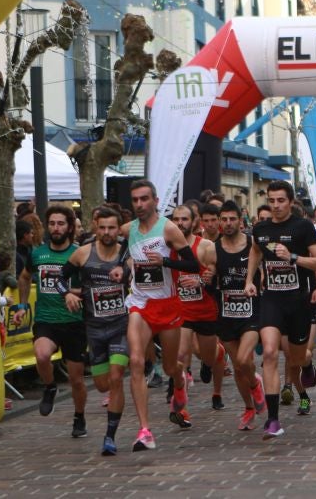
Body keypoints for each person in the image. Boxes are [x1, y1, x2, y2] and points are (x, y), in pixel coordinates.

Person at [120, 179, 199, 450]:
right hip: (139, 303)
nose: (140, 205)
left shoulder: (168, 229)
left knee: (169, 367)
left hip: (167, 305)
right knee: (136, 360)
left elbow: (193, 264)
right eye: (135, 200)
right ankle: (144, 430)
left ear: (155, 200)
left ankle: (179, 382)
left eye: (144, 199)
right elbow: (109, 244)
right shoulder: (128, 229)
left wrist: (164, 261)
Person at [244, 180, 316, 439]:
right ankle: (273, 419)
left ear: (291, 202)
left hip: (298, 302)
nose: (276, 205)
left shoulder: (302, 228)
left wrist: (292, 257)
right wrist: (249, 280)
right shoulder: (261, 228)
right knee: (269, 353)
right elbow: (255, 251)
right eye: (272, 200)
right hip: (272, 300)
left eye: (281, 200)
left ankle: (308, 365)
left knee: (297, 358)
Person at [54, 206, 131, 455]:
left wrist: (128, 272)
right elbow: (58, 279)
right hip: (94, 329)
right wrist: (66, 294)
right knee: (102, 385)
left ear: (118, 229)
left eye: (112, 228)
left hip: (121, 325)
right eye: (102, 228)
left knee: (117, 377)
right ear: (95, 227)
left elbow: (136, 274)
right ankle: (110, 413)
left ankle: (110, 436)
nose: (107, 232)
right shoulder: (83, 254)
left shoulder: (125, 253)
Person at [13, 206, 88, 438]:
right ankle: (50, 386)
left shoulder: (79, 254)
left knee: (76, 380)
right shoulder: (37, 254)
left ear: (70, 227)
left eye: (61, 224)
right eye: (52, 223)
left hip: (74, 322)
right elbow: (25, 277)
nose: (56, 228)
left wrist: (74, 293)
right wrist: (23, 305)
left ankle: (79, 416)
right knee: (42, 354)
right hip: (46, 319)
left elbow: (90, 286)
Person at [207, 201, 267, 430]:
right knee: (239, 366)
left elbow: (267, 267)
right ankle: (249, 407)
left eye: (233, 219)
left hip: (252, 311)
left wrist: (261, 279)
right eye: (224, 219)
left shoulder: (253, 244)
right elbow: (210, 280)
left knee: (243, 360)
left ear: (241, 221)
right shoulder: (213, 248)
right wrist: (206, 279)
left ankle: (255, 384)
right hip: (226, 313)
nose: (228, 223)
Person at [171, 205, 225, 413]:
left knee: (209, 356)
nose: (180, 223)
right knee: (181, 355)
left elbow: (215, 274)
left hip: (206, 309)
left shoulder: (206, 246)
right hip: (182, 310)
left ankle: (217, 390)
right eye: (176, 219)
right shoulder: (168, 247)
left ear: (194, 222)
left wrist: (201, 282)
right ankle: (180, 407)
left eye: (184, 219)